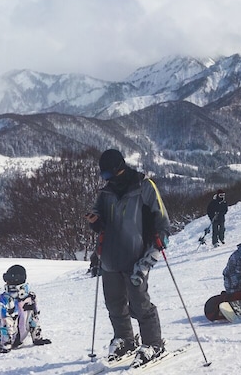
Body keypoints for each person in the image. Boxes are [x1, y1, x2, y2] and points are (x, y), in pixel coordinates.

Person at [85, 148, 169, 362]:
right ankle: (125, 339)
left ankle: (153, 343)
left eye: (107, 174)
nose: (105, 179)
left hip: (136, 256)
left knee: (139, 302)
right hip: (110, 258)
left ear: (118, 168)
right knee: (114, 303)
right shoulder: (105, 193)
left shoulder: (144, 187)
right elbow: (100, 218)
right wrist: (95, 220)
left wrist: (159, 241)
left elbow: (162, 219)